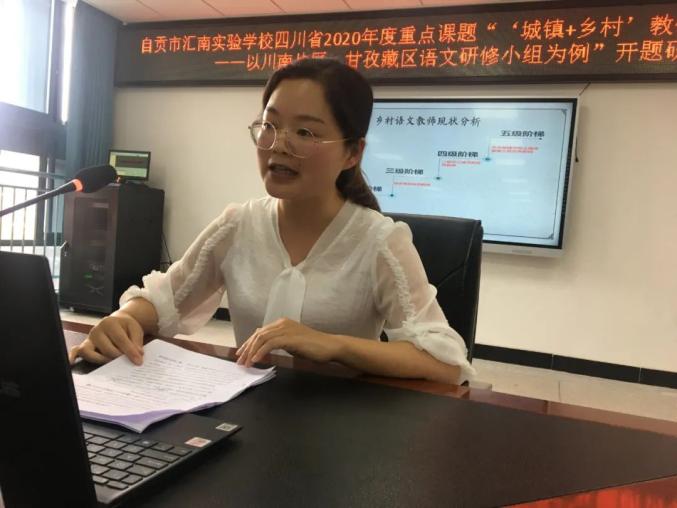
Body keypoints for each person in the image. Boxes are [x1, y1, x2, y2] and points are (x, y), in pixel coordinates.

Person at [69, 58, 476, 385]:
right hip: (247, 415)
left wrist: (332, 345)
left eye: (305, 132)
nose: (279, 145)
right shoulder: (238, 224)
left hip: (342, 425)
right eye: (270, 125)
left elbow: (444, 361)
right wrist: (124, 319)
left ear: (352, 153)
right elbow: (165, 299)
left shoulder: (379, 240)